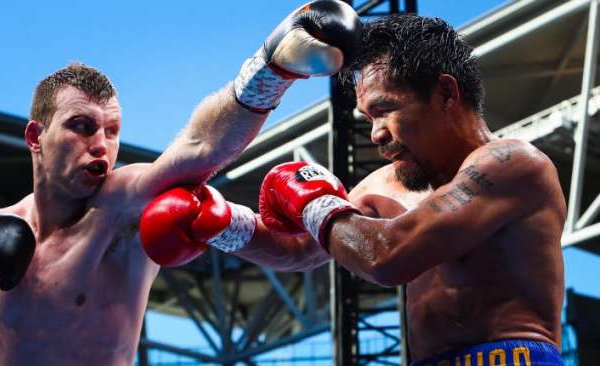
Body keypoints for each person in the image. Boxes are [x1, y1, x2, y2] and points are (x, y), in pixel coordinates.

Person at [0, 1, 362, 365]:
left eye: (111, 130)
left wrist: (272, 67)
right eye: (81, 126)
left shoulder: (121, 205)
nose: (100, 145)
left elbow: (202, 145)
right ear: (36, 137)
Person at [152, 14, 567, 365]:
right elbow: (299, 250)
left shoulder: (513, 165)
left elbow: (387, 257)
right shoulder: (386, 184)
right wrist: (220, 222)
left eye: (385, 110)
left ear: (445, 93)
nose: (376, 134)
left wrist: (313, 202)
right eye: (368, 117)